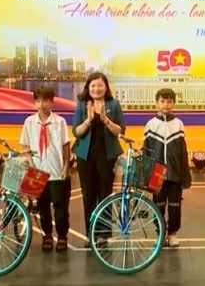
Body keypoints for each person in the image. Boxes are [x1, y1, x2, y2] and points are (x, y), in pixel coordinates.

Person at [72, 73, 126, 247]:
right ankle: (90, 234)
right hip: (85, 157)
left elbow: (120, 131)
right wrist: (88, 120)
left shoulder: (114, 104)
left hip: (107, 156)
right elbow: (76, 132)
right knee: (89, 195)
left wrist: (106, 120)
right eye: (93, 85)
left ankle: (103, 234)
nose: (96, 89)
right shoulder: (82, 104)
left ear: (106, 87)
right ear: (88, 87)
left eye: (100, 85)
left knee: (105, 194)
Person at [19, 88, 72, 252]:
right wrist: (31, 164)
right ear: (34, 102)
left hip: (57, 172)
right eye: (38, 100)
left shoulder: (60, 122)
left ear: (52, 102)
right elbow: (26, 146)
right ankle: (47, 235)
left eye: (45, 100)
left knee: (61, 208)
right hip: (38, 173)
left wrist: (66, 167)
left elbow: (65, 145)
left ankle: (62, 236)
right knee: (43, 208)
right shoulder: (29, 122)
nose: (42, 104)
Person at [143, 88, 191, 248]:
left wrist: (184, 175)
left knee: (175, 205)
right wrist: (146, 175)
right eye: (162, 101)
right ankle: (161, 233)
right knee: (158, 205)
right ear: (156, 103)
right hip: (157, 174)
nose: (166, 104)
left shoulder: (179, 124)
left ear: (174, 103)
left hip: (175, 173)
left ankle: (172, 233)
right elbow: (146, 151)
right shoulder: (150, 125)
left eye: (169, 101)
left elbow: (183, 152)